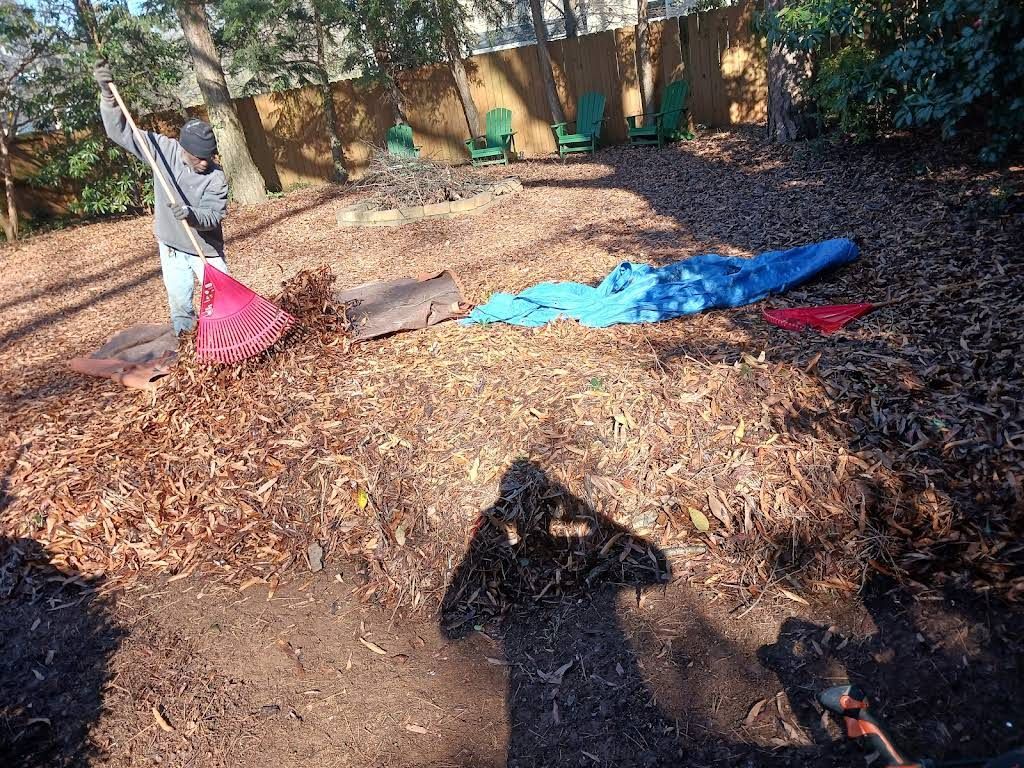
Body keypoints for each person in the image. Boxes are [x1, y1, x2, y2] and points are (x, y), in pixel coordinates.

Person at [92, 61, 230, 335]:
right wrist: (108, 95)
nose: (205, 163)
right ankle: (187, 350)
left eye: (209, 157)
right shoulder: (162, 151)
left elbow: (213, 216)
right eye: (199, 158)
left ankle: (224, 342)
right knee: (180, 306)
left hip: (206, 251)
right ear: (185, 150)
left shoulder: (216, 177)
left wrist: (190, 214)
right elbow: (120, 132)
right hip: (171, 247)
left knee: (225, 300)